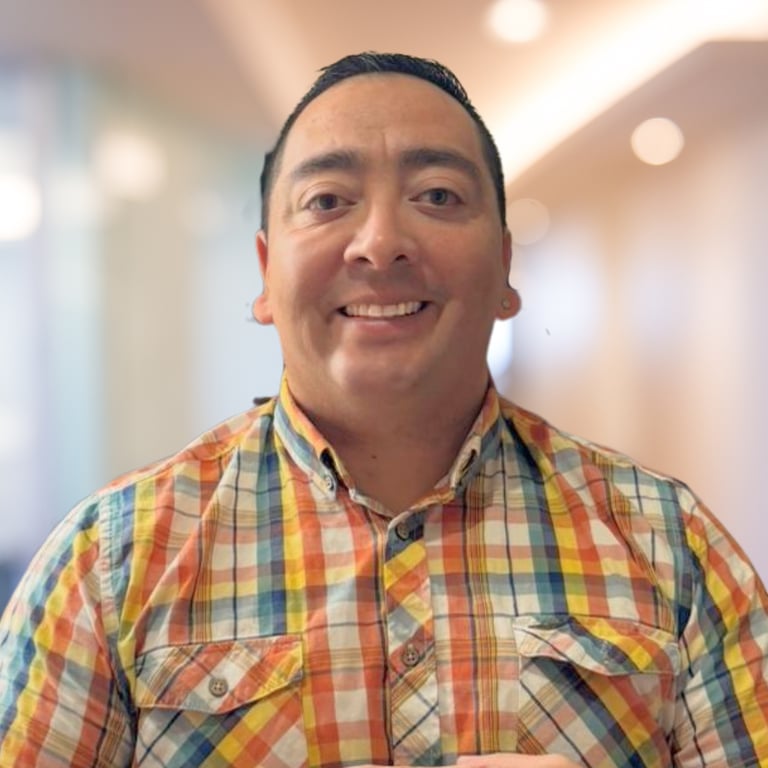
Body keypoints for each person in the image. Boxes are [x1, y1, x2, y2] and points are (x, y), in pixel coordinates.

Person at [0, 51, 767, 768]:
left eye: (437, 195)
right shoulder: (109, 561)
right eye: (327, 201)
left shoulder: (671, 544)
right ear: (266, 275)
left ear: (505, 266)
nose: (380, 242)